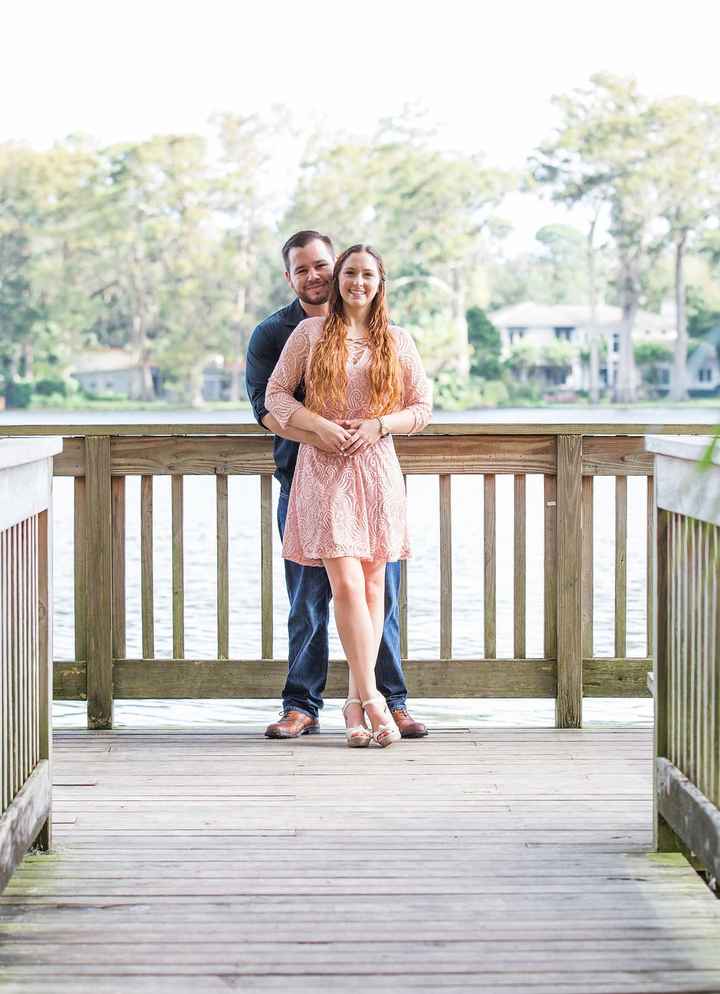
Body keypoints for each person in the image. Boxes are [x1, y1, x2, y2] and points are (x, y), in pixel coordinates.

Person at [246, 231, 428, 741]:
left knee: (376, 590)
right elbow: (272, 400)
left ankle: (364, 701)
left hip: (376, 471)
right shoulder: (294, 334)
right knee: (327, 592)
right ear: (290, 277)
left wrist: (380, 425)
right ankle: (337, 702)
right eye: (349, 273)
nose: (346, 280)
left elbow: (421, 407)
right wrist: (319, 430)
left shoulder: (396, 338)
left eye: (362, 273)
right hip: (315, 474)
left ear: (378, 282)